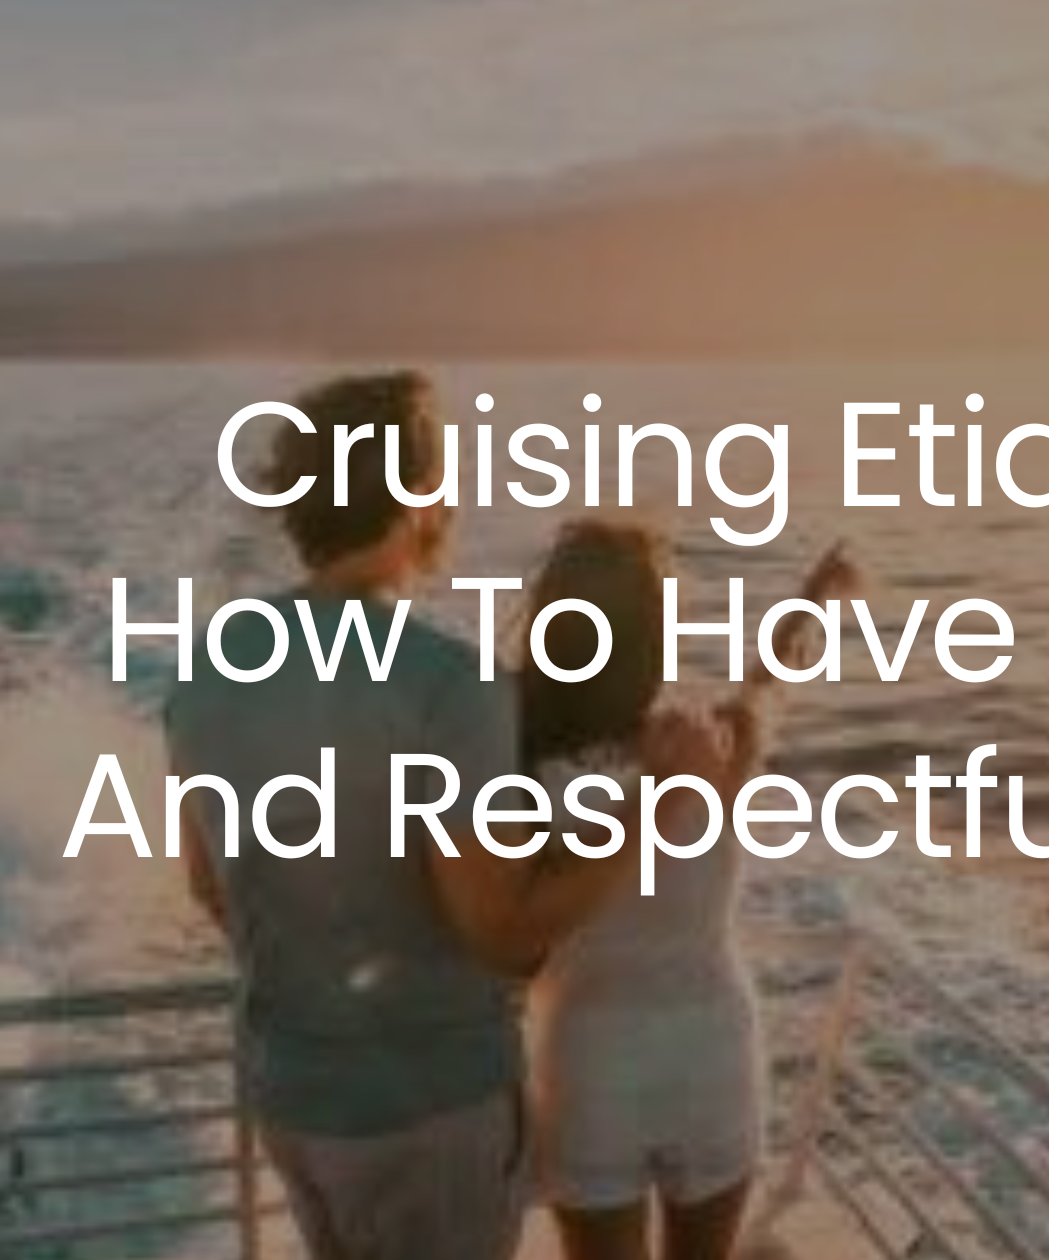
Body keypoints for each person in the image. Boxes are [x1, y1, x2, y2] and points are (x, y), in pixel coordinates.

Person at [165, 371, 630, 1260]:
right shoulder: (452, 684)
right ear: (417, 498)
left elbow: (207, 883)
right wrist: (653, 813)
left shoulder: (206, 666)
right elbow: (501, 933)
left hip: (289, 1096)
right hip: (431, 1116)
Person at [520, 520, 852, 1260]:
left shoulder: (523, 770)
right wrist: (815, 599)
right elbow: (770, 681)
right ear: (656, 638)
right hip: (710, 1052)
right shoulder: (713, 743)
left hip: (588, 1062)